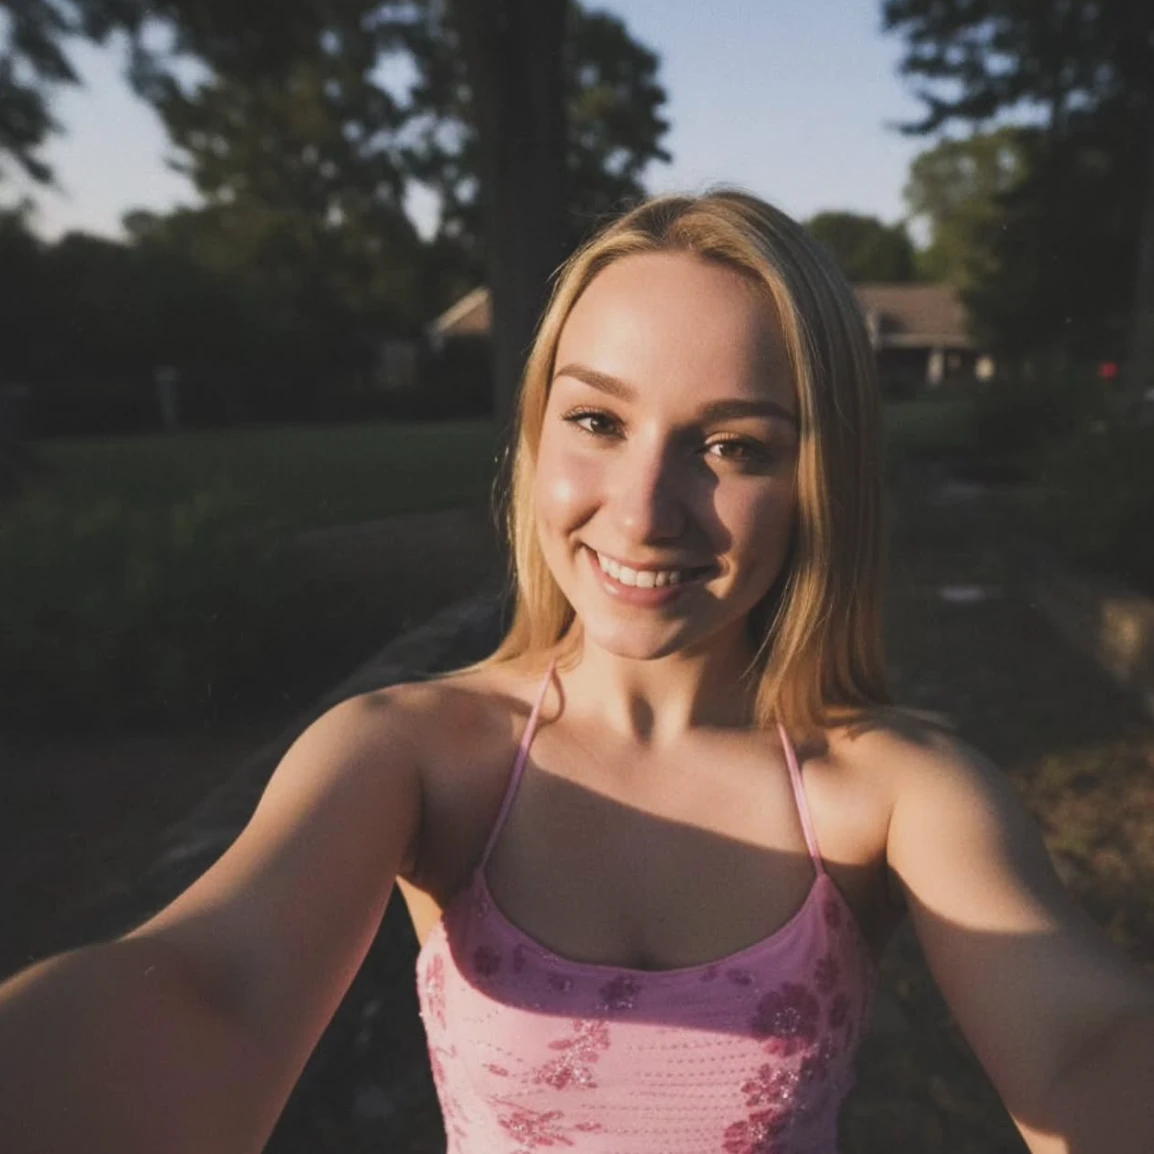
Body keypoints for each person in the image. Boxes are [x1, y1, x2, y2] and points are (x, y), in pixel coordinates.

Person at [1, 190, 1151, 1154]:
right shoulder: (411, 756)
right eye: (597, 419)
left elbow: (1081, 1041)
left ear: (819, 480)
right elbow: (209, 987)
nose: (643, 512)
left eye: (731, 445)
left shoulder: (896, 790)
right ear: (534, 434)